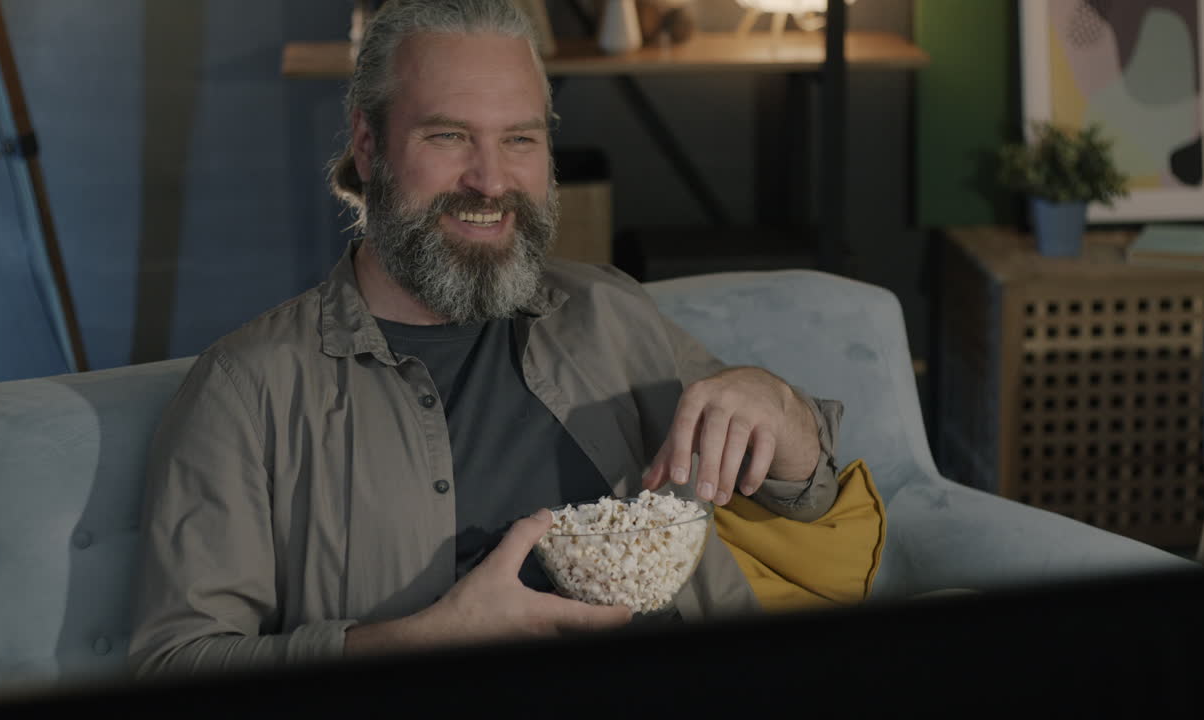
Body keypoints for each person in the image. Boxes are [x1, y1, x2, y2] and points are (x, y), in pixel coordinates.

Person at [128, 0, 843, 675]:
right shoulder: (249, 387)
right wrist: (419, 642)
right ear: (369, 146)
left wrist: (775, 405)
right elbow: (176, 662)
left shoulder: (607, 311)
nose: (491, 179)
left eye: (521, 139)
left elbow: (808, 492)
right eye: (448, 136)